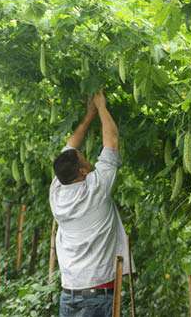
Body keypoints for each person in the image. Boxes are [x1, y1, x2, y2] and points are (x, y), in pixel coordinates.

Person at [49, 90, 134, 317]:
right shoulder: (96, 189)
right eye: (84, 158)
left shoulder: (57, 190)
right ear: (83, 170)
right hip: (99, 294)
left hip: (69, 292)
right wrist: (101, 106)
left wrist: (89, 116)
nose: (85, 157)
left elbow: (70, 149)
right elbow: (112, 143)